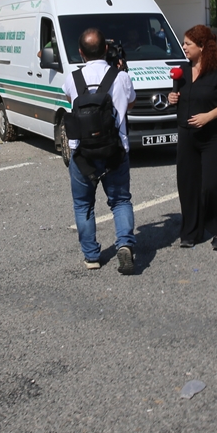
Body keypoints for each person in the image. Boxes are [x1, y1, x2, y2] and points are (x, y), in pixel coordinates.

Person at [61, 28, 137, 274]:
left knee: (83, 205)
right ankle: (125, 244)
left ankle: (92, 256)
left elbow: (68, 96)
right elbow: (131, 101)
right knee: (120, 201)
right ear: (106, 49)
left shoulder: (73, 78)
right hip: (115, 151)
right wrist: (120, 69)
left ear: (81, 52)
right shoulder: (121, 76)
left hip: (83, 154)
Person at [167, 25, 217, 250]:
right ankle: (191, 231)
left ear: (201, 46)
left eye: (188, 43)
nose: (184, 47)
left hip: (214, 136)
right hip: (187, 135)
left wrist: (209, 116)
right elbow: (178, 96)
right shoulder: (182, 71)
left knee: (209, 184)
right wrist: (172, 98)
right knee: (187, 185)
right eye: (184, 43)